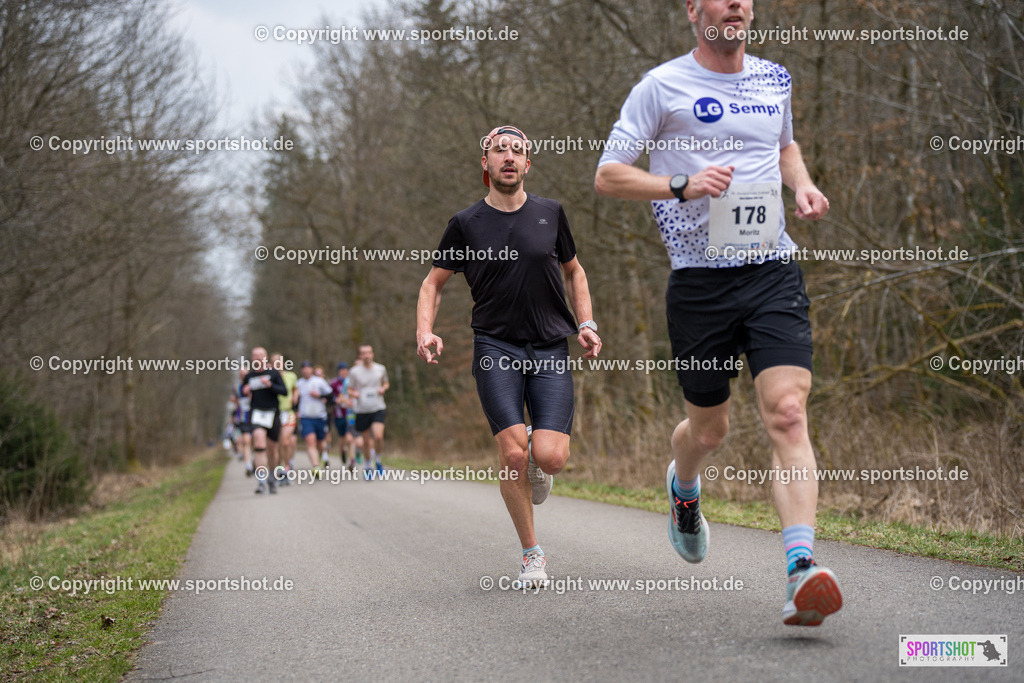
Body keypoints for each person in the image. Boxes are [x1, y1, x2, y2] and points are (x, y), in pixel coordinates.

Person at [594, 0, 841, 626]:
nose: (737, 4)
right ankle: (683, 488)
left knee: (787, 412)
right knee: (709, 431)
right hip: (700, 284)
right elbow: (609, 175)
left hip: (770, 271)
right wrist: (682, 184)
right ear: (693, 11)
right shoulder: (661, 87)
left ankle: (800, 570)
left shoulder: (774, 78)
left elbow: (785, 146)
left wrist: (802, 184)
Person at [417, 125, 602, 588]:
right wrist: (425, 331)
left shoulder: (551, 213)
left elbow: (574, 271)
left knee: (550, 457)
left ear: (527, 164)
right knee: (513, 453)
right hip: (496, 345)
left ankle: (542, 456)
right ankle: (531, 556)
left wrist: (587, 322)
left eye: (518, 151)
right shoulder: (465, 224)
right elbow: (432, 283)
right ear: (485, 164)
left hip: (549, 346)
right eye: (499, 150)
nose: (509, 157)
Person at [241, 347, 287, 494]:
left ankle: (272, 477)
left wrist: (270, 385)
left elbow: (284, 391)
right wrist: (246, 390)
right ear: (252, 359)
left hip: (273, 413)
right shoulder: (249, 376)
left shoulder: (273, 373)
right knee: (259, 444)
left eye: (261, 355)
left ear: (266, 358)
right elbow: (243, 392)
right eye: (255, 356)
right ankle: (261, 480)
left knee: (272, 449)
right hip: (257, 414)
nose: (258, 358)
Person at [347, 344, 389, 480]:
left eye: (369, 353)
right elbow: (349, 389)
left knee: (378, 436)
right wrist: (354, 393)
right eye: (363, 353)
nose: (366, 355)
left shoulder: (380, 369)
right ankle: (367, 464)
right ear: (360, 356)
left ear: (373, 354)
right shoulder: (354, 371)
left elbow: (386, 383)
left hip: (377, 407)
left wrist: (383, 389)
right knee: (366, 442)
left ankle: (378, 459)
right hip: (362, 409)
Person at [294, 361, 334, 478]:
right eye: (304, 368)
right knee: (310, 441)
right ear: (301, 370)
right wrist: (295, 408)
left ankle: (322, 457)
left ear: (311, 369)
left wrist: (320, 396)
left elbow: (331, 397)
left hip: (320, 416)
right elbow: (296, 400)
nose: (306, 370)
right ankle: (316, 466)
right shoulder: (299, 384)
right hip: (306, 417)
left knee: (320, 443)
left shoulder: (319, 381)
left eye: (308, 368)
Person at [271, 352, 298, 485]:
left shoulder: (291, 376)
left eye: (279, 362)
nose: (277, 364)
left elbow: (295, 389)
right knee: (277, 445)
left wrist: (295, 396)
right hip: (274, 414)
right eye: (274, 362)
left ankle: (287, 468)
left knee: (286, 442)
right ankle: (280, 469)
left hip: (288, 413)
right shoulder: (269, 378)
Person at [330, 362, 356, 471]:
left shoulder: (352, 381)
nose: (344, 372)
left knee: (350, 438)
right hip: (339, 415)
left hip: (350, 414)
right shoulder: (334, 383)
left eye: (346, 370)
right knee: (342, 439)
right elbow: (330, 397)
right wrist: (338, 400)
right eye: (342, 370)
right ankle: (342, 452)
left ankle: (352, 461)